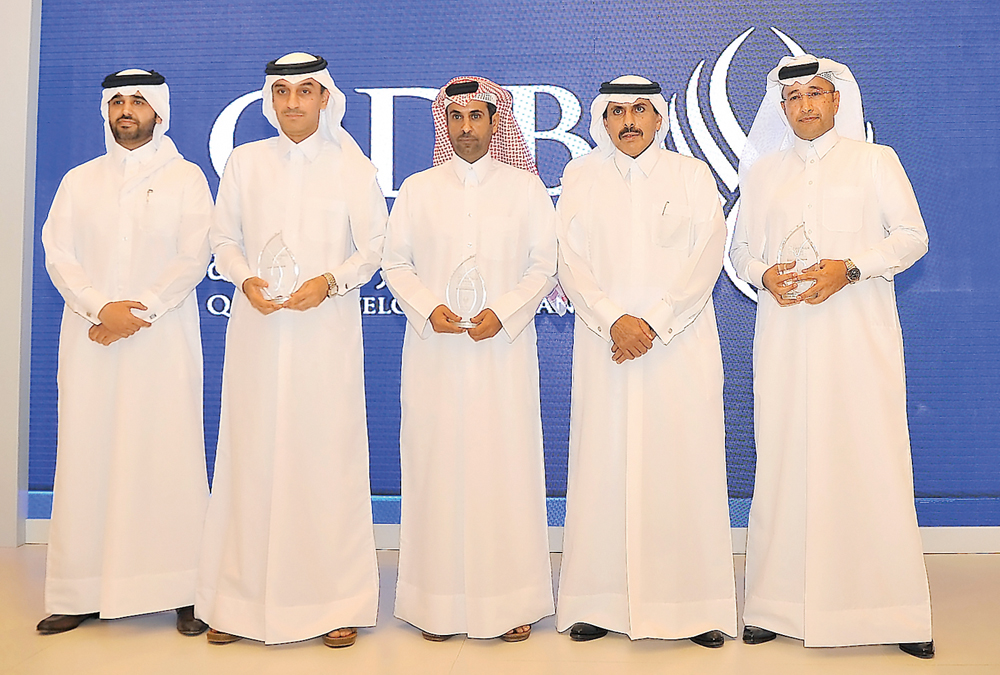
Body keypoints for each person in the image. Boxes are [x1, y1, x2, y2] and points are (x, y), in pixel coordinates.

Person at [730, 54, 933, 658]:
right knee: (788, 458)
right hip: (787, 341)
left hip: (858, 340)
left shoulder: (875, 161)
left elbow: (912, 237)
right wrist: (763, 272)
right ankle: (775, 604)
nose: (804, 107)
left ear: (837, 100)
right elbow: (741, 252)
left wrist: (849, 268)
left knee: (868, 458)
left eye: (814, 95)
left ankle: (894, 612)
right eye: (791, 99)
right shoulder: (763, 174)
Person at [196, 52, 387, 648]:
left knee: (324, 462)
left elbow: (373, 248)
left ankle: (336, 603)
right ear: (270, 101)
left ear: (326, 98)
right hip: (257, 332)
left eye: (306, 91)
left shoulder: (351, 167)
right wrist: (243, 278)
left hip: (323, 334)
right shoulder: (246, 163)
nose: (293, 103)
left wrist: (329, 282)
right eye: (282, 92)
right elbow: (222, 239)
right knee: (251, 459)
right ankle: (235, 602)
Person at [554, 76, 737, 647]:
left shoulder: (691, 175)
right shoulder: (579, 177)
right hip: (606, 344)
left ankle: (695, 608)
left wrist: (653, 321)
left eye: (640, 110)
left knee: (684, 469)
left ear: (658, 118)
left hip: (676, 348)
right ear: (602, 121)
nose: (628, 121)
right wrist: (614, 319)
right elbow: (567, 258)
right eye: (616, 112)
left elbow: (708, 253)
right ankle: (597, 604)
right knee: (602, 468)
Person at [39, 68, 213, 636]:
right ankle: (78, 588)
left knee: (167, 456)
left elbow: (192, 257)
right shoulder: (78, 180)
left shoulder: (187, 179)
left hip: (161, 340)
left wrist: (134, 312)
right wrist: (97, 307)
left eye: (138, 102)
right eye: (117, 102)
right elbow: (58, 253)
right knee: (88, 454)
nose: (126, 111)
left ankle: (184, 588)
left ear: (159, 112)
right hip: (90, 340)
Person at [382, 76, 556, 642]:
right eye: (455, 119)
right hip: (435, 352)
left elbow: (544, 266)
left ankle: (509, 604)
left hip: (501, 354)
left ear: (495, 122)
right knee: (437, 471)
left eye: (476, 117)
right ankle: (436, 605)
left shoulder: (526, 190)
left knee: (503, 471)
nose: (465, 128)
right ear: (444, 125)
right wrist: (429, 307)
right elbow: (396, 263)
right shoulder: (417, 189)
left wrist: (504, 312)